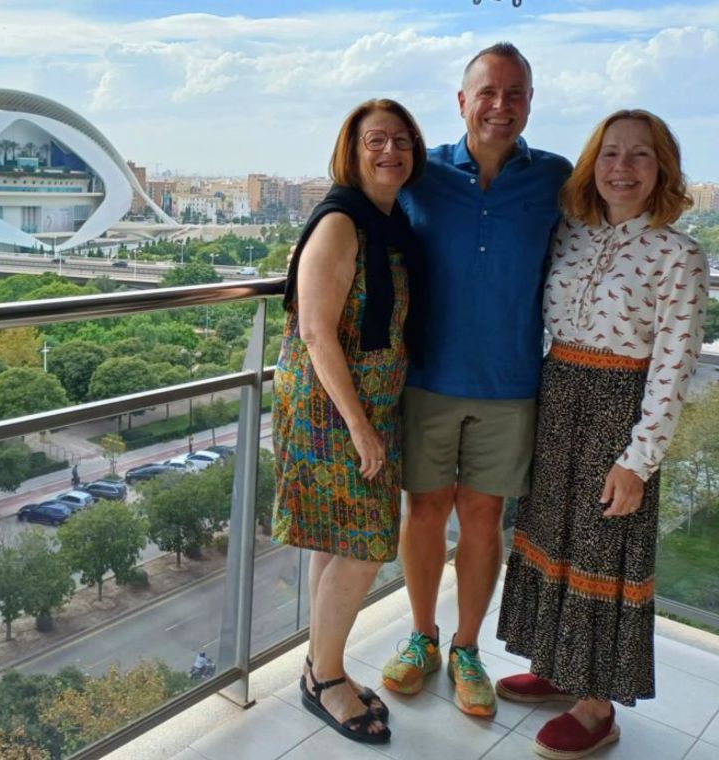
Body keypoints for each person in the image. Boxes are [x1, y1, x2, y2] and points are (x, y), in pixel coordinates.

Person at [495, 109, 707, 759]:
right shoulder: (571, 235)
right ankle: (559, 668)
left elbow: (674, 369)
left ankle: (596, 705)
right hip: (558, 398)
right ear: (593, 164)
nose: (623, 168)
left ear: (662, 170)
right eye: (611, 154)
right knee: (551, 538)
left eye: (640, 156)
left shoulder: (680, 257)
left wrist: (638, 463)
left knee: (602, 551)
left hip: (620, 412)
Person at [380, 42, 572, 719]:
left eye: (515, 93)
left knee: (484, 518)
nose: (501, 105)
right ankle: (421, 637)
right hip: (427, 374)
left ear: (530, 103)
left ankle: (467, 650)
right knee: (425, 510)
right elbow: (366, 227)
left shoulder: (554, 177)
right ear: (461, 101)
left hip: (511, 380)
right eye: (487, 92)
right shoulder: (419, 172)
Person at [272, 98, 427, 744]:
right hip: (330, 409)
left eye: (400, 141)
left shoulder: (388, 223)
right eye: (375, 141)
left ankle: (321, 665)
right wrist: (363, 428)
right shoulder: (341, 221)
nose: (389, 151)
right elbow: (314, 330)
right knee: (365, 543)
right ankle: (324, 678)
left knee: (339, 540)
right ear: (352, 150)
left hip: (363, 405)